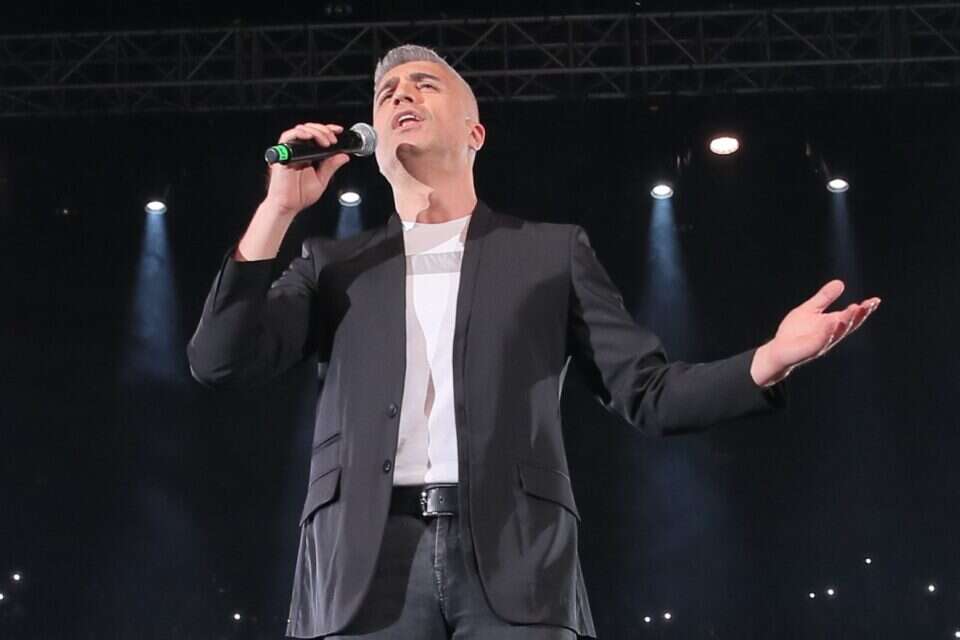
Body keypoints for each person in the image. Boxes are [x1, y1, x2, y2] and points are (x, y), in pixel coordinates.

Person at [186, 44, 880, 639]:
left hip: (515, 560)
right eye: (387, 91)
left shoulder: (549, 254)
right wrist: (277, 208)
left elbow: (648, 393)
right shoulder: (332, 265)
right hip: (359, 569)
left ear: (475, 132)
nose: (400, 95)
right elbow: (219, 360)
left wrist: (771, 358)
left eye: (424, 85)